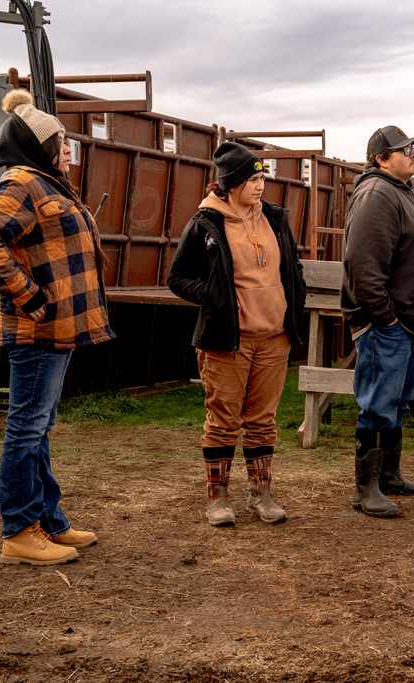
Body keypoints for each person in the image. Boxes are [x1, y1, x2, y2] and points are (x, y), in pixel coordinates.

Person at [0, 89, 114, 565]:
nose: (66, 149)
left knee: (39, 428)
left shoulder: (50, 183)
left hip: (57, 329)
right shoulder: (22, 183)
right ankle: (18, 533)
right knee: (26, 429)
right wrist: (30, 296)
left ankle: (49, 522)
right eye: (60, 141)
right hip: (36, 329)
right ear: (39, 146)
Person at [168, 142, 306, 526]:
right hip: (228, 339)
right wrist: (212, 295)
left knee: (263, 419)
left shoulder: (275, 220)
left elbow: (291, 268)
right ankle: (218, 498)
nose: (260, 186)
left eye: (262, 178)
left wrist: (297, 299)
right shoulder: (206, 223)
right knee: (223, 419)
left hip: (274, 336)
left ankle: (262, 494)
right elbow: (177, 278)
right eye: (251, 179)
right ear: (229, 184)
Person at [341, 126, 414, 518]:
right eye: (404, 150)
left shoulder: (405, 192)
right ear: (381, 159)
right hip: (390, 324)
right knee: (377, 404)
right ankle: (365, 488)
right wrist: (385, 319)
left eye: (412, 149)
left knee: (398, 403)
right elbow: (363, 265)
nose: (412, 155)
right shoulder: (377, 194)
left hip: (410, 322)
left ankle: (389, 475)